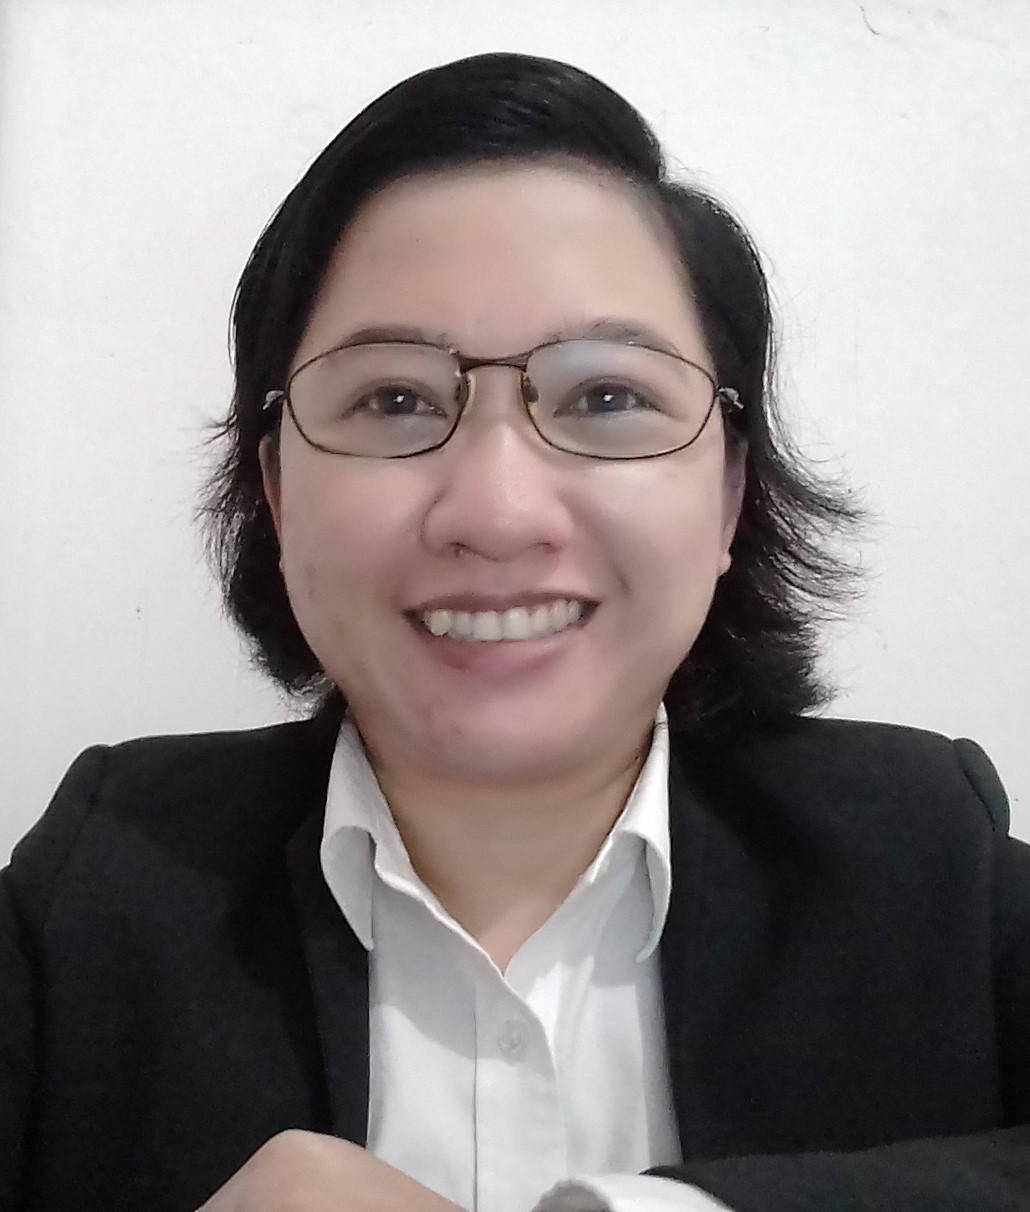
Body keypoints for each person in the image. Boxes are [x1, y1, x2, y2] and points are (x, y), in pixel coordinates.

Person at [1, 51, 1027, 1212]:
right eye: (394, 400)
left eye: (606, 398)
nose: (494, 512)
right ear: (278, 494)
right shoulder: (96, 891)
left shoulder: (923, 859)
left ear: (729, 494)